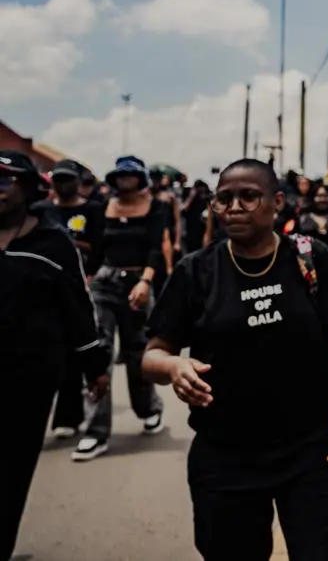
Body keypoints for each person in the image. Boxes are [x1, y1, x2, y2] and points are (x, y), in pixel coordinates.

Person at [142, 159, 328, 561]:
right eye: (224, 199)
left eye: (248, 196)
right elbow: (153, 353)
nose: (235, 207)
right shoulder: (197, 272)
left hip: (311, 451)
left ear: (276, 202)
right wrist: (174, 366)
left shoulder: (311, 258)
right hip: (225, 457)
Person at [0, 151, 109, 560]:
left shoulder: (52, 242)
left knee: (11, 470)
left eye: (5, 180)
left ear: (28, 189)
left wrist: (94, 366)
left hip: (30, 375)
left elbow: (77, 306)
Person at [74, 155, 168, 462]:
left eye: (131, 176)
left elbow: (156, 247)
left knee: (137, 352)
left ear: (140, 179)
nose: (126, 182)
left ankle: (148, 408)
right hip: (105, 280)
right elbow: (97, 247)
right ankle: (95, 431)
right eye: (121, 176)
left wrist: (145, 281)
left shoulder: (156, 208)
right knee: (99, 349)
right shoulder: (102, 207)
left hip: (138, 281)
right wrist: (88, 276)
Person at [36, 159, 106, 439]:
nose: (63, 185)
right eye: (58, 180)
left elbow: (101, 246)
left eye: (68, 179)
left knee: (75, 349)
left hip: (82, 283)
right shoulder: (41, 211)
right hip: (43, 288)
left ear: (78, 181)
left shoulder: (92, 209)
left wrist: (89, 272)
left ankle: (68, 415)